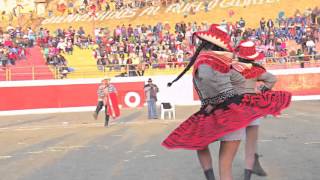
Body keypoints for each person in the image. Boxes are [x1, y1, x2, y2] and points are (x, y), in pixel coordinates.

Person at [162, 24, 291, 180]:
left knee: (200, 144)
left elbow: (212, 83)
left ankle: (211, 177)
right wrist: (258, 93)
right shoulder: (233, 64)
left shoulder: (209, 60)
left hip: (223, 109)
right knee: (226, 163)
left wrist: (213, 102)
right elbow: (263, 80)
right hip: (239, 109)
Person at [235, 41, 278, 180]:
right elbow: (272, 79)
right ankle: (248, 176)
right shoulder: (256, 69)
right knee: (251, 143)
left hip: (234, 106)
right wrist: (262, 90)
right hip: (252, 105)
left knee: (230, 145)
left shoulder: (231, 67)